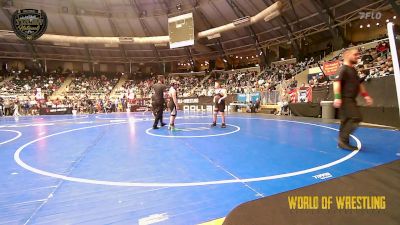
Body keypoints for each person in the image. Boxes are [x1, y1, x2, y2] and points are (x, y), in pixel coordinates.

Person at [333, 48, 373, 151]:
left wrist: (366, 96)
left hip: (351, 99)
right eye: (355, 55)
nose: (358, 56)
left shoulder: (353, 70)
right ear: (348, 56)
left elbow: (359, 84)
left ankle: (343, 142)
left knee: (345, 120)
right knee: (356, 117)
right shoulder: (343, 69)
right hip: (345, 99)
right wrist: (337, 98)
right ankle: (343, 141)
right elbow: (336, 83)